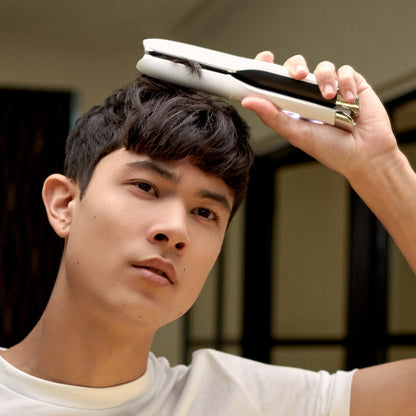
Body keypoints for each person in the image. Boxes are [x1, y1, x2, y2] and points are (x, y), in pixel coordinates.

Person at [0, 49, 415, 415]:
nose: (175, 230)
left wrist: (380, 166)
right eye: (145, 187)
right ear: (64, 205)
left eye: (204, 212)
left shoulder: (240, 401)